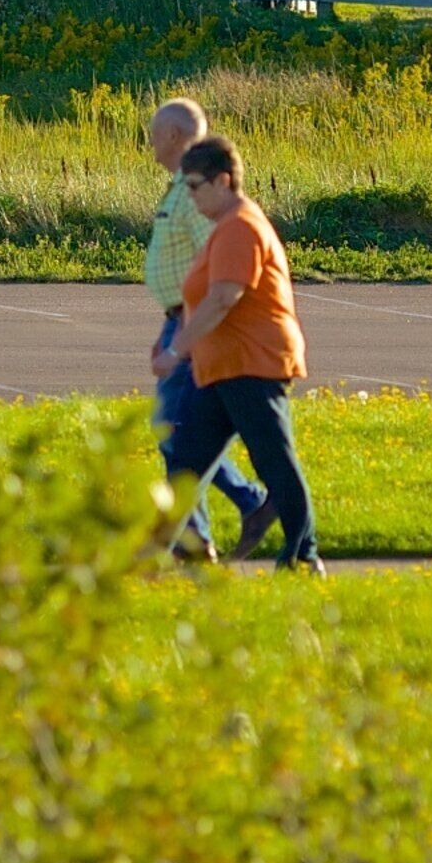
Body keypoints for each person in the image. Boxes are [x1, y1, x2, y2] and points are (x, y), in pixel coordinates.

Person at [154, 135, 318, 572]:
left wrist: (176, 349)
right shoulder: (224, 228)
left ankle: (303, 557)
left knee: (273, 460)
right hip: (222, 368)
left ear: (223, 181)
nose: (189, 194)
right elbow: (201, 297)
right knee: (185, 457)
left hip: (253, 363)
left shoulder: (241, 227)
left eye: (194, 185)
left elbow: (225, 296)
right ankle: (169, 551)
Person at [140, 99, 262, 554]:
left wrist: (184, 332)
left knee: (176, 429)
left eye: (154, 132)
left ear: (173, 135)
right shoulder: (181, 186)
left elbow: (212, 264)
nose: (150, 141)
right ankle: (205, 534)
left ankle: (213, 527)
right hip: (180, 319)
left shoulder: (195, 195)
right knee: (183, 430)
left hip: (193, 324)